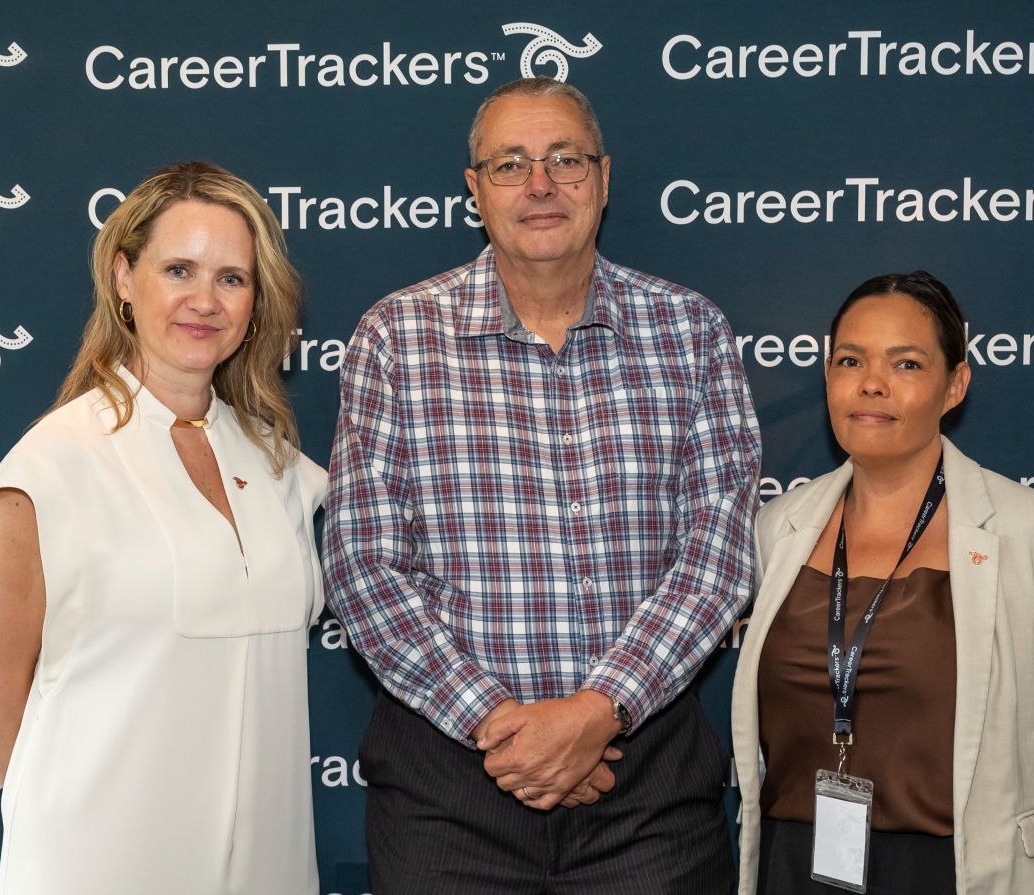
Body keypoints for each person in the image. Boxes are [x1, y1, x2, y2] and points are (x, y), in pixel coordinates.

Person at [324, 77, 760, 894]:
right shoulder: (395, 336)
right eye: (509, 164)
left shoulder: (690, 331)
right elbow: (363, 567)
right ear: (473, 189)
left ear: (600, 176)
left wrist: (597, 713)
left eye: (563, 159)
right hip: (447, 794)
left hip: (646, 789)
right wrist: (503, 731)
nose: (539, 185)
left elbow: (717, 556)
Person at [0, 161, 324, 894]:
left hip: (268, 865)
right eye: (179, 268)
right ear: (124, 276)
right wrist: (65, 826)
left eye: (231, 278)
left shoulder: (279, 463)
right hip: (101, 861)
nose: (205, 299)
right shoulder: (53, 463)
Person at [731, 271, 1034, 894]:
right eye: (850, 359)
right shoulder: (778, 527)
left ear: (954, 385)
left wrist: (1004, 834)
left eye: (906, 364)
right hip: (796, 863)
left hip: (954, 869)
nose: (872, 383)